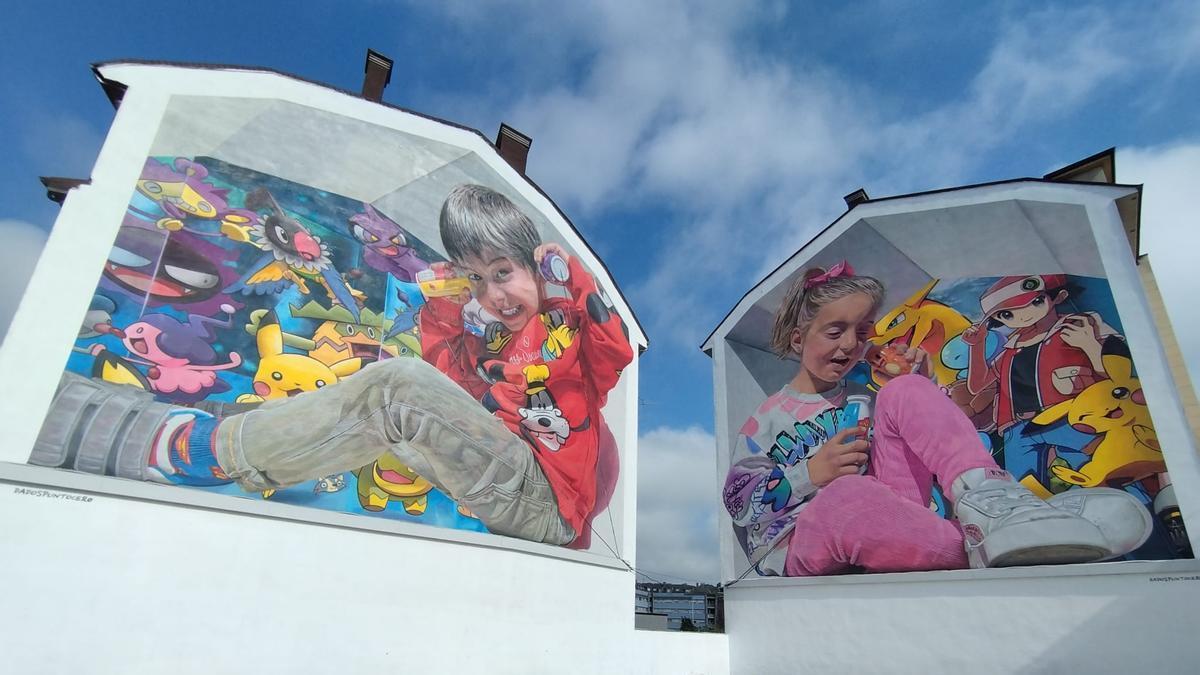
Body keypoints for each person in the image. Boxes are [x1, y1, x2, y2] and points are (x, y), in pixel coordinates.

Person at [30, 184, 633, 547]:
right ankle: (231, 425)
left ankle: (199, 450)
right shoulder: (491, 339)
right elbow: (447, 386)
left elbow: (615, 355)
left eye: (503, 273)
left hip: (549, 503)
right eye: (479, 279)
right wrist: (449, 306)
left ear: (533, 266)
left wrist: (567, 285)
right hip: (507, 479)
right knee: (392, 385)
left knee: (396, 387)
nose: (495, 294)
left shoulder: (568, 332)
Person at [722, 263, 1151, 576]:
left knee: (903, 391)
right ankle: (993, 545)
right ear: (799, 339)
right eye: (834, 332)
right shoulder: (767, 420)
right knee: (847, 495)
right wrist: (810, 474)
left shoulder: (864, 395)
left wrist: (921, 383)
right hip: (799, 544)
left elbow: (939, 444)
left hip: (897, 521)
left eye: (864, 331)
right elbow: (739, 503)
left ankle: (996, 507)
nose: (850, 344)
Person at [962, 275, 1129, 495]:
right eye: (1006, 314)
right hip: (1019, 427)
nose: (1022, 315)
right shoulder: (1012, 347)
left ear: (1058, 296)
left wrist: (1089, 345)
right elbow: (977, 385)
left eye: (1035, 302)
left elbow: (1121, 373)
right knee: (1027, 491)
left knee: (1096, 474)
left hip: (1072, 417)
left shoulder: (1079, 325)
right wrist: (977, 345)